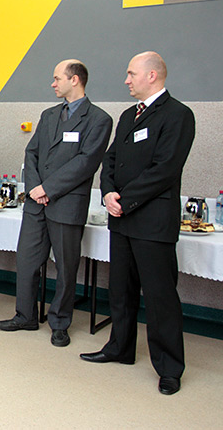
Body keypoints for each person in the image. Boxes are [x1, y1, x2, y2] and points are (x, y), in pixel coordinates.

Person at [80, 51, 195, 396]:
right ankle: (120, 347)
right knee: (120, 290)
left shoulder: (178, 115)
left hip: (152, 222)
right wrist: (108, 193)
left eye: (131, 74)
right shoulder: (130, 115)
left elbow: (165, 169)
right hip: (122, 219)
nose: (126, 80)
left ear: (152, 75)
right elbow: (111, 158)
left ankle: (169, 367)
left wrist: (124, 199)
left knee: (160, 297)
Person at [0, 60, 112, 345]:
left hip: (67, 204)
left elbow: (86, 162)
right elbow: (31, 152)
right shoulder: (48, 115)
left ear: (75, 80)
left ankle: (60, 323)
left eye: (57, 78)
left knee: (66, 267)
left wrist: (48, 188)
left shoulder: (99, 119)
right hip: (36, 203)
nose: (53, 84)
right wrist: (36, 189)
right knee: (26, 261)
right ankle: (25, 315)